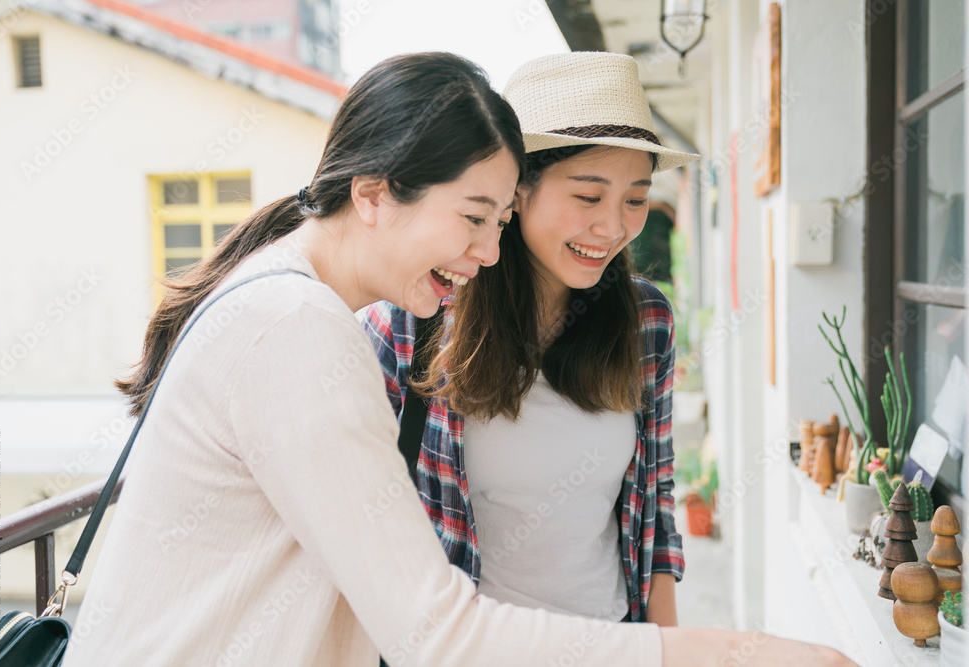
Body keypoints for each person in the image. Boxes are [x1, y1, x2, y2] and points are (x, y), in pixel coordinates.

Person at [64, 52, 855, 667]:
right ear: (372, 194)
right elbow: (437, 631)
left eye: (499, 219)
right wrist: (731, 651)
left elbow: (650, 508)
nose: (488, 249)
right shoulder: (307, 331)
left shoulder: (281, 299)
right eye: (478, 216)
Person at [362, 51, 694, 628]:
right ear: (517, 191)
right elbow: (368, 523)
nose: (613, 227)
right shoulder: (414, 322)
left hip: (612, 642)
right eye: (588, 197)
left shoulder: (647, 322)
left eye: (635, 199)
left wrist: (664, 650)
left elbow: (655, 503)